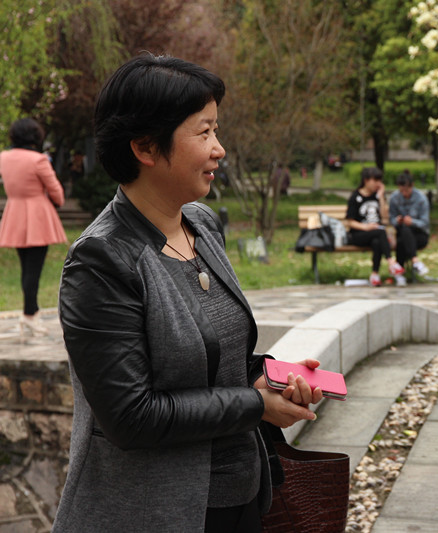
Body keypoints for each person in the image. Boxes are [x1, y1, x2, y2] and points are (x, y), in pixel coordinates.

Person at [53, 54, 324, 533]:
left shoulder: (201, 224)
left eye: (216, 129)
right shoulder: (102, 260)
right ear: (145, 147)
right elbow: (131, 416)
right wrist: (256, 404)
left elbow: (215, 359)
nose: (219, 149)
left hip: (242, 498)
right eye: (203, 133)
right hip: (154, 513)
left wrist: (273, 378)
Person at [0, 118, 67, 336]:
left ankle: (31, 312)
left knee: (25, 267)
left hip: (15, 212)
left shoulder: (4, 157)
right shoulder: (38, 160)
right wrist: (57, 201)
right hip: (37, 214)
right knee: (34, 269)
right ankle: (30, 315)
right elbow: (55, 190)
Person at [346, 166, 404, 286]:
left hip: (376, 234)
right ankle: (391, 262)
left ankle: (374, 274)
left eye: (380, 181)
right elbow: (350, 222)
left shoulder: (377, 196)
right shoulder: (355, 197)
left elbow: (384, 217)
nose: (378, 183)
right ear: (366, 180)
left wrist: (381, 196)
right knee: (380, 232)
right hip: (358, 234)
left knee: (377, 241)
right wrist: (366, 227)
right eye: (375, 180)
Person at [389, 170, 430, 277]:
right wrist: (397, 220)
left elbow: (425, 223)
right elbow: (391, 219)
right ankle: (415, 262)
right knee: (403, 231)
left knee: (404, 235)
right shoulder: (394, 198)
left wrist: (412, 222)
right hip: (401, 233)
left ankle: (399, 274)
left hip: (419, 234)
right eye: (401, 191)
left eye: (406, 190)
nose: (404, 193)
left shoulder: (421, 199)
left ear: (412, 186)